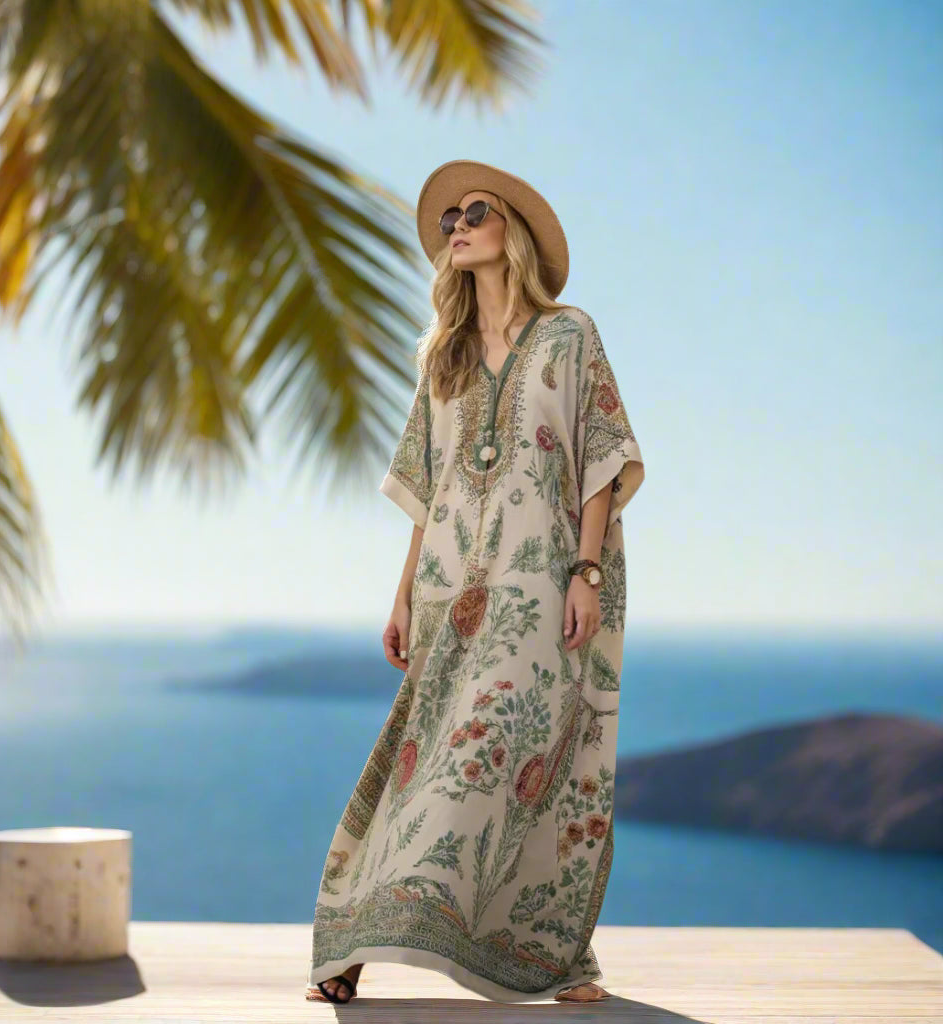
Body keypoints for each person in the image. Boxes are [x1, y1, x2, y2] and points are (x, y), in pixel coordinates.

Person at [305, 160, 645, 1004]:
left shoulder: (569, 336)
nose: (457, 226)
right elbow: (428, 491)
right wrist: (400, 595)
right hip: (449, 592)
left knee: (501, 755)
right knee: (421, 764)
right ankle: (350, 944)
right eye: (450, 217)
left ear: (513, 233)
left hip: (540, 590)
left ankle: (550, 952)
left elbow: (599, 462)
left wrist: (586, 572)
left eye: (476, 213)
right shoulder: (443, 359)